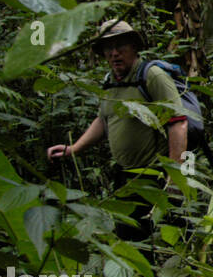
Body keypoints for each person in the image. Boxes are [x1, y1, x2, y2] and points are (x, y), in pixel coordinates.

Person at [46, 19, 187, 241]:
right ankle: (147, 276)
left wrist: (175, 173)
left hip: (157, 172)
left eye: (120, 46)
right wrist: (73, 148)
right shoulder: (110, 82)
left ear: (134, 47)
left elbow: (178, 122)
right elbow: (103, 120)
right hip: (127, 175)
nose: (114, 53)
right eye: (108, 48)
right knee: (131, 237)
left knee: (180, 229)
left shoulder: (152, 76)